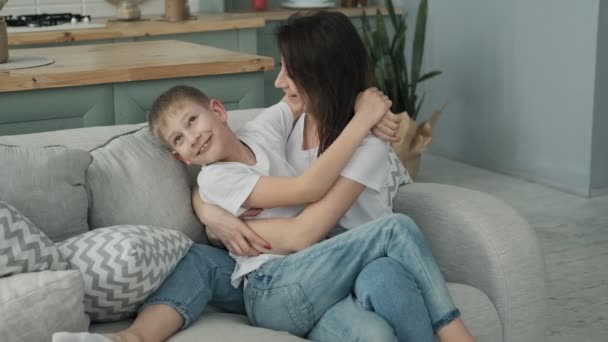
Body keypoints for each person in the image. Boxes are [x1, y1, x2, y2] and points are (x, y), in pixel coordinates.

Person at [53, 11, 475, 342]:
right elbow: (280, 193)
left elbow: (304, 227)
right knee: (198, 259)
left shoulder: (292, 132)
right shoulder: (286, 127)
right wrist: (213, 214)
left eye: (290, 71)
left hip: (330, 266)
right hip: (285, 277)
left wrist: (366, 110)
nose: (278, 82)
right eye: (179, 139)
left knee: (378, 320)